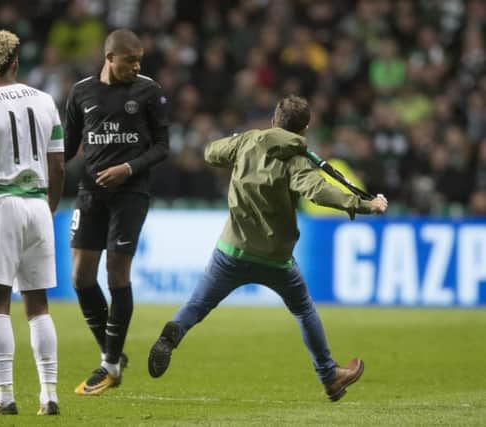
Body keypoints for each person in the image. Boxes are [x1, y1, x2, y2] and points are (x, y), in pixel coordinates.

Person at [148, 95, 388, 401]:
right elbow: (319, 192)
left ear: (274, 120)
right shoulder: (297, 160)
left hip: (231, 250)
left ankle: (175, 333)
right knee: (303, 310)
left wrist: (239, 143)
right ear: (304, 129)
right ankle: (329, 376)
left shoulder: (247, 142)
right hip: (276, 259)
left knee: (197, 304)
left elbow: (211, 152)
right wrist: (364, 205)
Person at [0, 30, 65, 415]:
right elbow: (58, 165)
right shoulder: (45, 101)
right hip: (37, 204)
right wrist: (48, 208)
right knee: (38, 304)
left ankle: (4, 397)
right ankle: (49, 395)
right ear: (16, 62)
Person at [64, 29, 169, 395]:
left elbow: (162, 147)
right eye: (130, 60)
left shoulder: (149, 91)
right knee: (80, 277)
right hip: (90, 193)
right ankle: (112, 353)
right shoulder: (81, 92)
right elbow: (67, 147)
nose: (137, 66)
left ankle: (108, 364)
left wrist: (128, 168)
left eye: (140, 60)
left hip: (131, 193)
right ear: (110, 58)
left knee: (117, 273)